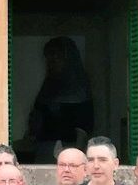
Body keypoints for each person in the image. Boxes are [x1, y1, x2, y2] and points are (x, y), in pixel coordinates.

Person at [26, 35, 94, 164]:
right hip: (44, 149)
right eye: (49, 59)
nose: (52, 63)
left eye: (56, 58)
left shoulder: (79, 87)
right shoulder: (49, 85)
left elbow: (84, 126)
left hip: (69, 150)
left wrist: (77, 155)